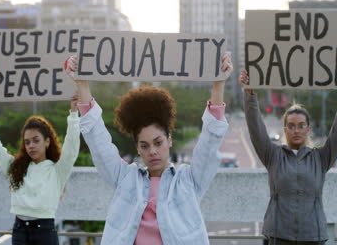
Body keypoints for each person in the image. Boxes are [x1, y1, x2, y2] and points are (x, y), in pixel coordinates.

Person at [64, 53, 232, 244]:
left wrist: (219, 84)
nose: (152, 151)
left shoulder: (188, 180)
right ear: (137, 149)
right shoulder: (125, 178)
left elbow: (210, 141)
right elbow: (98, 140)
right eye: (144, 146)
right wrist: (81, 83)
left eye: (158, 142)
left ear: (169, 140)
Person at [239, 69, 337, 245]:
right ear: (285, 129)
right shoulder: (273, 155)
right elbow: (256, 128)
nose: (296, 130)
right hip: (278, 235)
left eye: (301, 125)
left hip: (312, 236)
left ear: (308, 129)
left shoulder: (321, 157)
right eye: (291, 126)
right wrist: (249, 94)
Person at [0, 91, 81, 245]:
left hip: (45, 232)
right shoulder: (15, 167)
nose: (31, 146)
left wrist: (74, 113)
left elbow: (72, 147)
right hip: (20, 230)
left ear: (47, 142)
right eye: (27, 142)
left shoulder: (57, 170)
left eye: (36, 140)